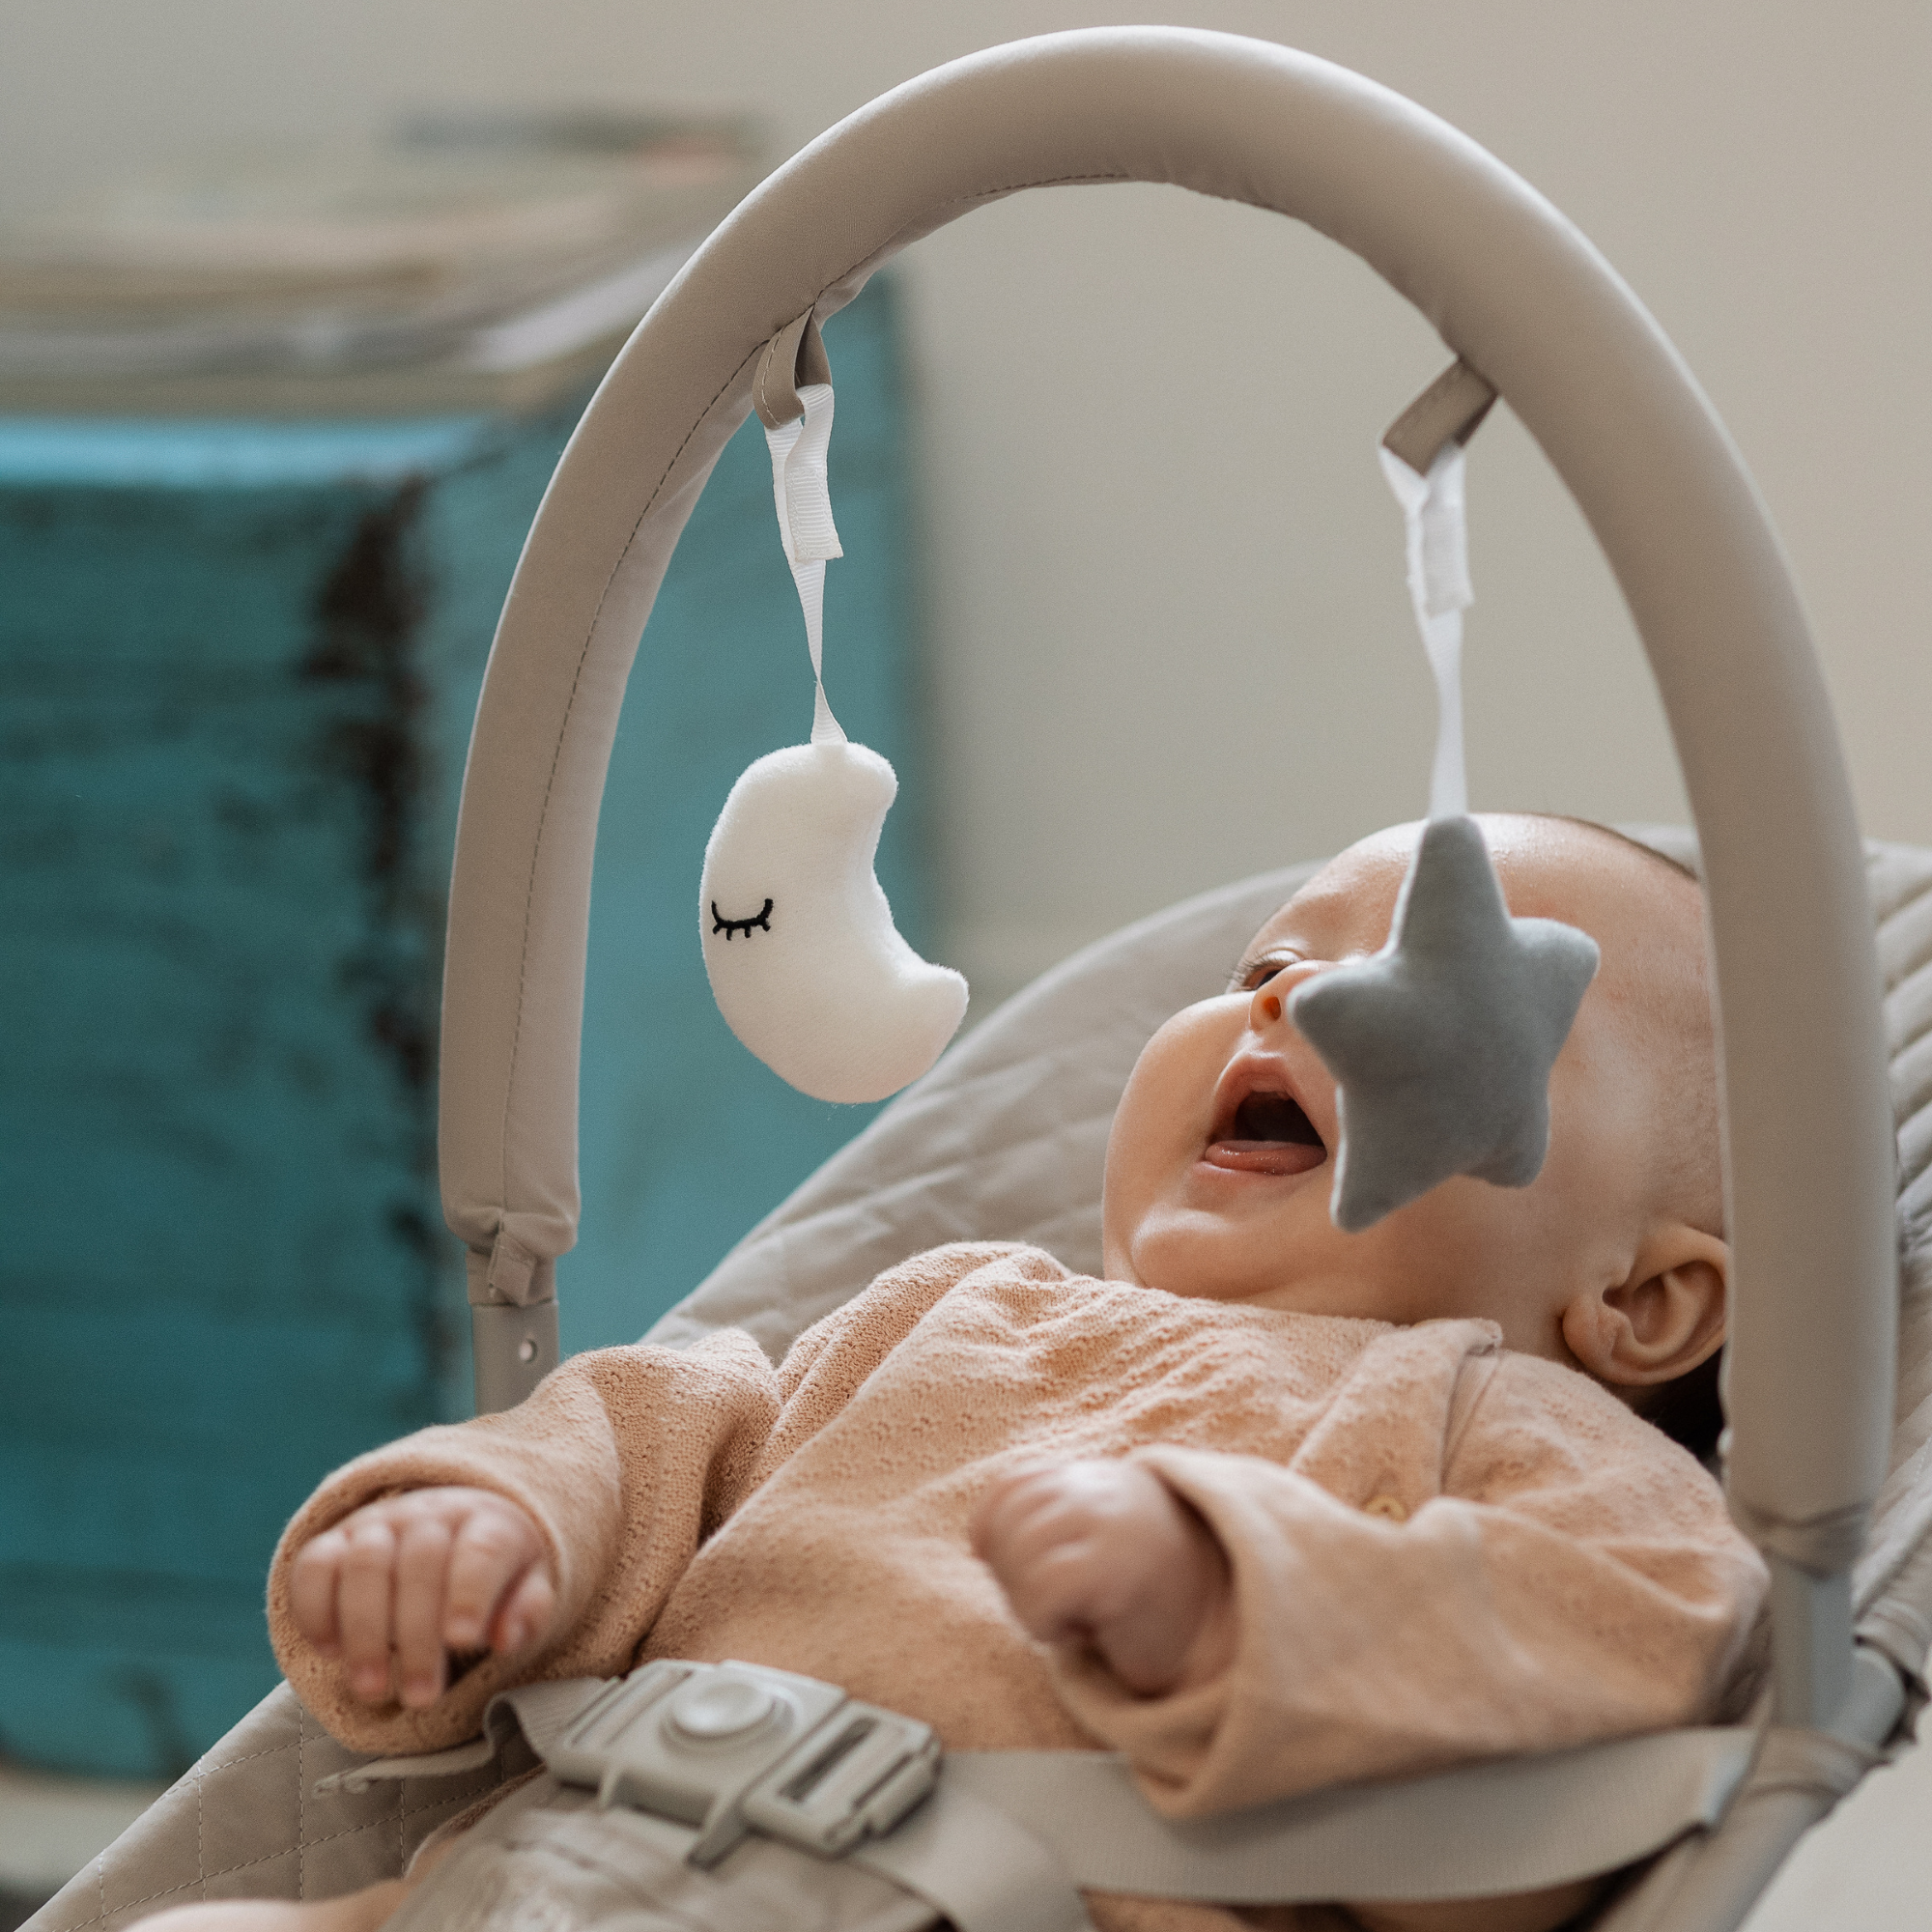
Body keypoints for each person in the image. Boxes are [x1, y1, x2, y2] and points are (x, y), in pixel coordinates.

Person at [142, 816, 1765, 1932]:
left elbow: (1596, 1680)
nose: (1289, 997)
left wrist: (1226, 1599)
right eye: (1268, 959)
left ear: (1641, 1302)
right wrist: (490, 1528)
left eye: (1435, 986)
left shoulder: (1524, 1430)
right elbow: (662, 1426)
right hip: (548, 1865)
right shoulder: (954, 1311)